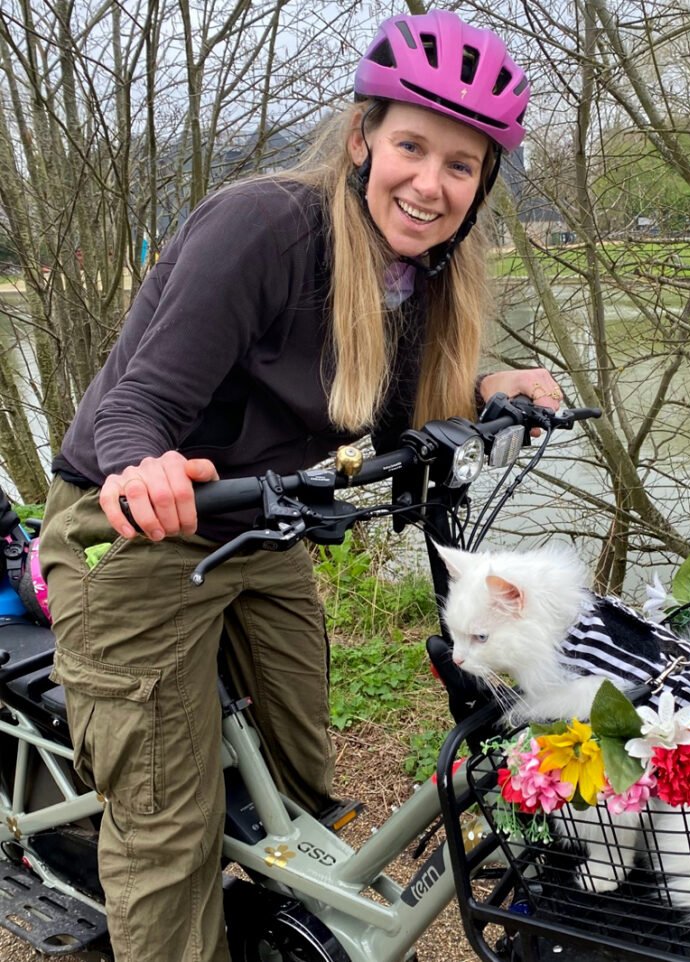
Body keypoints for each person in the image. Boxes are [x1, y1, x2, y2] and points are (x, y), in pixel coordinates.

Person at [38, 10, 561, 961]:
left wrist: (486, 387)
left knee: (302, 777)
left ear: (484, 184)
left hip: (258, 528)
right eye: (412, 145)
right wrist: (141, 464)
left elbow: (390, 409)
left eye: (460, 164)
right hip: (137, 531)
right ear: (362, 139)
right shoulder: (263, 228)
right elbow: (137, 402)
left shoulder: (424, 273)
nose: (430, 183)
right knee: (168, 828)